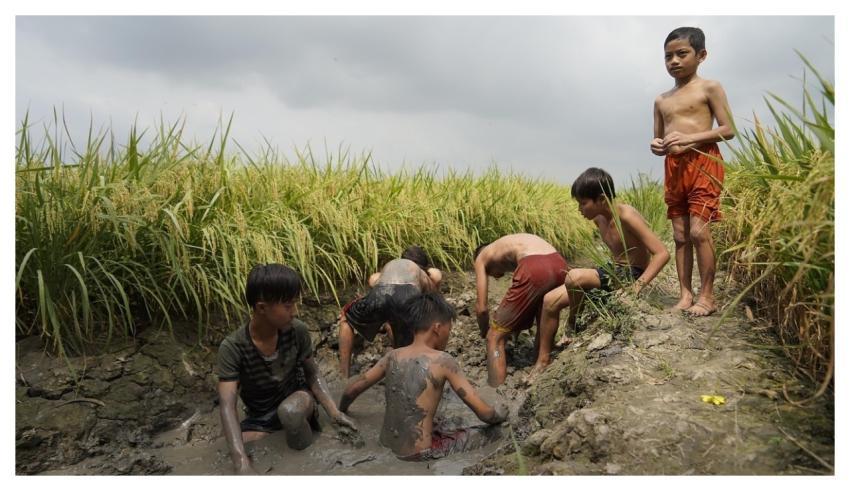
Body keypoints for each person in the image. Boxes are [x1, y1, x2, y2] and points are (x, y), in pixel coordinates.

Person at [217, 264, 357, 475]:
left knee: (290, 413)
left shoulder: (297, 331)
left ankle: (308, 463)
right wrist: (241, 464)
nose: (296, 311)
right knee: (230, 453)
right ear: (262, 308)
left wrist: (334, 413)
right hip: (260, 416)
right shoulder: (233, 347)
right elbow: (227, 406)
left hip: (297, 400)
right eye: (288, 305)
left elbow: (312, 373)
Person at [339, 292, 508, 461]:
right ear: (437, 328)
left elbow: (350, 391)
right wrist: (500, 414)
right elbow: (484, 413)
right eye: (448, 329)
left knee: (438, 423)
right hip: (419, 454)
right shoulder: (444, 361)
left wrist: (341, 413)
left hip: (386, 445)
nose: (448, 336)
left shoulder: (392, 356)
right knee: (496, 432)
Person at [537, 168, 670, 374]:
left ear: (600, 199)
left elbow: (662, 253)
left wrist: (636, 287)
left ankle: (573, 324)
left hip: (631, 273)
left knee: (574, 277)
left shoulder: (626, 215)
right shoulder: (599, 219)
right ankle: (542, 361)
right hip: (612, 271)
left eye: (583, 203)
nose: (580, 209)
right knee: (549, 301)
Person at [651, 26, 734, 316]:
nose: (673, 61)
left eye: (681, 54)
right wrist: (657, 145)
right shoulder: (662, 99)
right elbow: (659, 137)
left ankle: (707, 296)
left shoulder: (709, 87)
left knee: (700, 231)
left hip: (704, 161)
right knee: (680, 235)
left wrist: (689, 139)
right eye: (668, 56)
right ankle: (685, 294)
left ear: (701, 55)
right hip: (674, 168)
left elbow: (728, 130)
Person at [473, 233, 569, 387]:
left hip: (535, 267)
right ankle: (541, 363)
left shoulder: (481, 257)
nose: (493, 277)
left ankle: (495, 389)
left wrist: (486, 332)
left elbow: (482, 309)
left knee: (494, 337)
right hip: (559, 264)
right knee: (543, 314)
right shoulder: (505, 244)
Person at [338, 245, 443, 379]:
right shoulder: (424, 273)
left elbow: (372, 280)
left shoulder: (394, 266)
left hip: (381, 290)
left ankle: (343, 375)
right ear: (424, 265)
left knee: (346, 319)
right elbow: (433, 295)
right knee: (409, 326)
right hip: (408, 293)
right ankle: (408, 372)